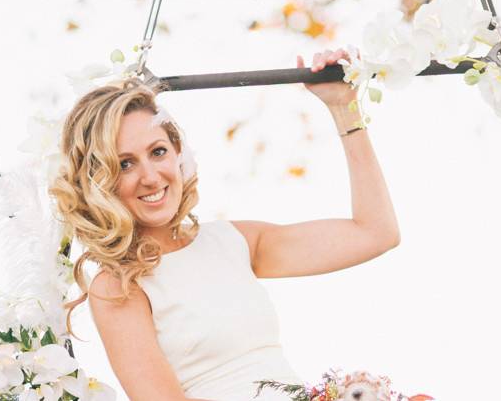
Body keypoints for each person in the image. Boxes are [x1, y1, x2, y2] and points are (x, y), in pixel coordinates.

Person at [48, 48, 401, 401]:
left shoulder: (233, 241)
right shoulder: (117, 286)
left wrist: (344, 107)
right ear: (99, 180)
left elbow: (375, 233)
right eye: (125, 164)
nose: (151, 177)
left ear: (178, 152)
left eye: (157, 152)